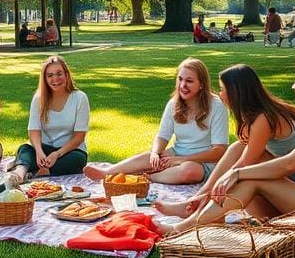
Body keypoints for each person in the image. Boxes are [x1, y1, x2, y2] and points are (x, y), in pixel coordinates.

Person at [157, 51, 295, 236]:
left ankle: (182, 228)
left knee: (250, 180)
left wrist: (237, 174)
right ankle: (206, 215)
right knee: (245, 164)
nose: (294, 86)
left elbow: (289, 165)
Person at [155, 63, 295, 219]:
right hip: (291, 178)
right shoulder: (260, 114)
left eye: (223, 89)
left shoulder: (264, 118)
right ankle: (198, 200)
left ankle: (198, 206)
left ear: (235, 93)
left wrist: (224, 181)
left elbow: (246, 163)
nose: (220, 94)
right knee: (238, 148)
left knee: (242, 169)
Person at [85, 58, 228, 185]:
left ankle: (148, 177)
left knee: (189, 171)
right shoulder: (174, 103)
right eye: (180, 79)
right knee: (150, 157)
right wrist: (155, 152)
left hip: (203, 163)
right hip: (176, 154)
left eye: (189, 81)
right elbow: (162, 136)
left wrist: (182, 160)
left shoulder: (216, 105)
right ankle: (108, 172)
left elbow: (219, 151)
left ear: (202, 84)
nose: (183, 85)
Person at [9, 55, 90, 182]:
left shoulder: (80, 98)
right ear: (45, 79)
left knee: (78, 160)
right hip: (45, 149)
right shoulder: (38, 98)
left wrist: (57, 154)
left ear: (67, 75)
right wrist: (39, 151)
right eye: (50, 75)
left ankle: (40, 171)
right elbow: (34, 131)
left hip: (68, 151)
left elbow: (79, 137)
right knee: (25, 149)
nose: (55, 79)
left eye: (59, 74)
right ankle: (20, 172)